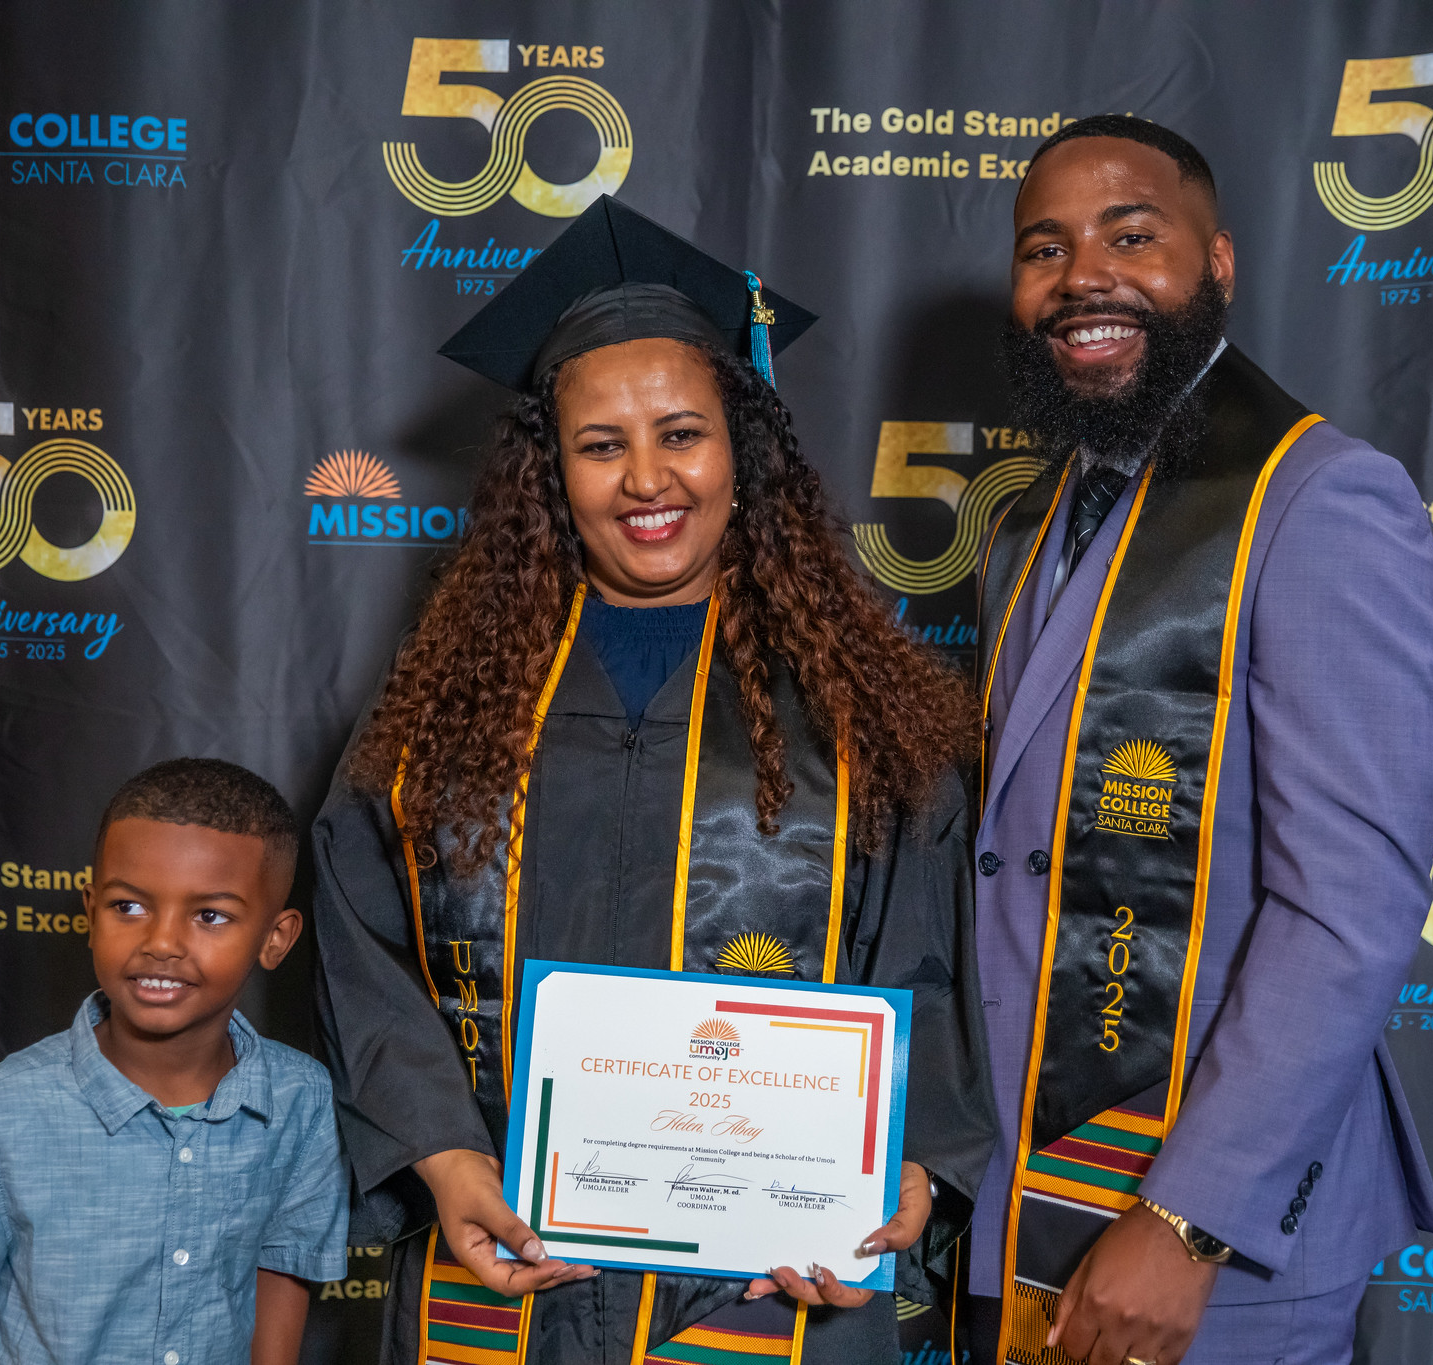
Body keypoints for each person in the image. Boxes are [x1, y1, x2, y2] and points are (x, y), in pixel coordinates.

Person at [312, 196, 996, 1365]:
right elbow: (358, 933)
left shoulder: (854, 712)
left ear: (743, 448)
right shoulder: (451, 702)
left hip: (767, 1288)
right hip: (510, 1261)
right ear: (549, 474)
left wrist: (903, 1171)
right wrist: (438, 1148)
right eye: (598, 444)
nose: (645, 480)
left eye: (679, 432)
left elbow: (922, 970)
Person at [963, 116, 1433, 1365]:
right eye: (1044, 249)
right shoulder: (1030, 525)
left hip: (1206, 1244)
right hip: (1026, 1206)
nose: (1083, 278)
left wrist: (1187, 1222)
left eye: (1133, 236)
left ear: (1218, 263)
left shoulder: (1321, 500)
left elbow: (1346, 908)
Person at [0, 758, 349, 1365]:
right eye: (129, 907)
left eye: (210, 916)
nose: (161, 943)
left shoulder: (302, 1098)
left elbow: (281, 1272)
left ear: (276, 938)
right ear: (90, 912)